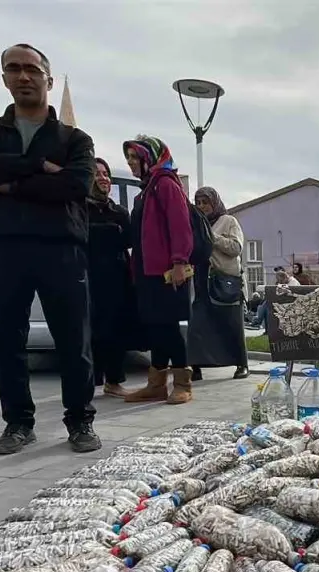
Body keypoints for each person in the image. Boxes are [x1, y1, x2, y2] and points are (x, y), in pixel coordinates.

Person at [0, 43, 100, 455]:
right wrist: (38, 166)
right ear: (4, 78)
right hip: (2, 248)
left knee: (74, 341)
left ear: (48, 80)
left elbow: (75, 184)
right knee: (6, 342)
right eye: (14, 68)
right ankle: (18, 423)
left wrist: (8, 182)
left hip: (60, 248)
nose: (23, 76)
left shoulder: (74, 139)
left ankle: (80, 421)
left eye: (32, 70)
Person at [120, 135, 197, 406]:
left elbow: (180, 226)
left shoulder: (165, 184)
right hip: (147, 271)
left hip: (166, 271)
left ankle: (183, 384)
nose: (130, 163)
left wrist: (179, 262)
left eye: (135, 157)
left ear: (149, 158)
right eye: (128, 158)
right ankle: (156, 385)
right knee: (154, 327)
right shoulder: (147, 189)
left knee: (167, 327)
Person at [188, 186, 250, 380]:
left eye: (205, 202)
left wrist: (211, 236)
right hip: (201, 279)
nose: (202, 206)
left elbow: (236, 247)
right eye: (198, 203)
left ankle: (241, 363)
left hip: (224, 280)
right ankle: (196, 366)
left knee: (231, 323)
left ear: (214, 203)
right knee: (198, 325)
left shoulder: (228, 221)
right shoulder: (196, 224)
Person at [85, 158, 134, 398]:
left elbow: (129, 240)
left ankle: (113, 381)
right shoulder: (79, 208)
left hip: (116, 277)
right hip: (87, 276)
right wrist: (111, 232)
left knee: (116, 329)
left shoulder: (119, 211)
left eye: (105, 174)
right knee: (89, 330)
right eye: (97, 174)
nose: (103, 178)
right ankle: (88, 383)